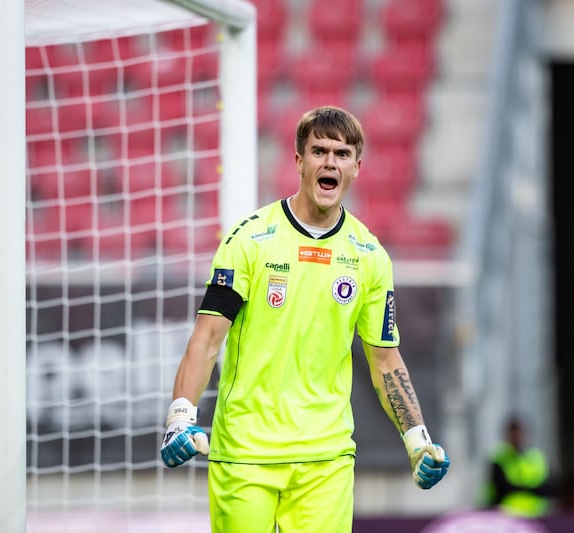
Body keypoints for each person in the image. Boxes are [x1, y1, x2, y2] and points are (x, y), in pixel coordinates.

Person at [160, 105, 450, 532]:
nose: (330, 162)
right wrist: (180, 415)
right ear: (299, 161)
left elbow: (385, 360)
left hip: (325, 459)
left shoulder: (369, 256)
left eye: (342, 153)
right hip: (246, 452)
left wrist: (416, 439)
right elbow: (207, 339)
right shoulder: (250, 240)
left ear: (356, 168)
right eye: (318, 151)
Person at [482, 416, 554, 518]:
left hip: (536, 516)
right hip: (507, 516)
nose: (517, 437)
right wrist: (529, 489)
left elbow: (548, 489)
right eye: (513, 433)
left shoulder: (538, 458)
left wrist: (519, 488)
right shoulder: (499, 458)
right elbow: (501, 489)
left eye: (519, 433)